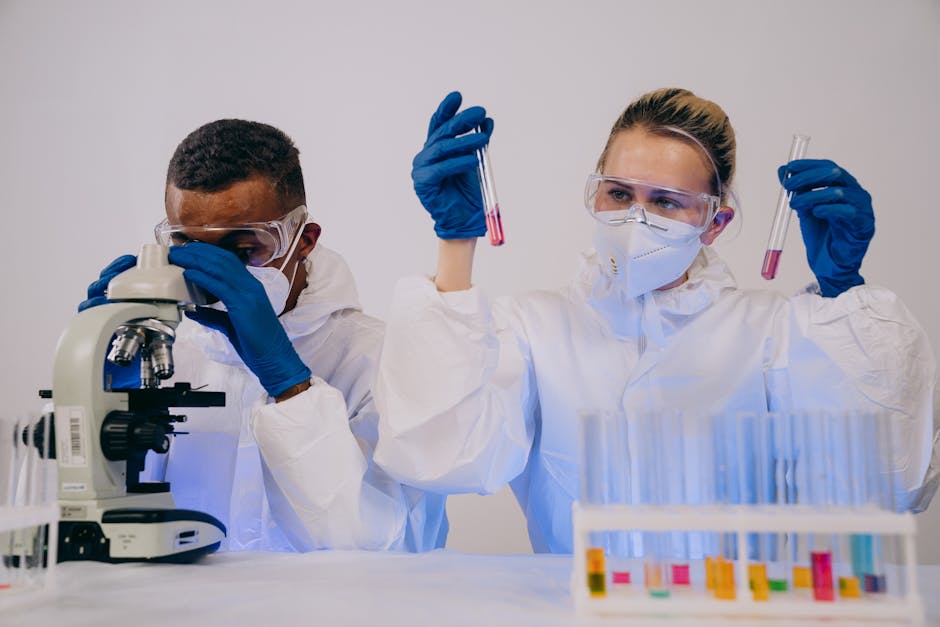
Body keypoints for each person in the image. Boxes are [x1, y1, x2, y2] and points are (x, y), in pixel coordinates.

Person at [373, 89, 938, 553]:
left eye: (667, 202)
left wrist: (844, 294)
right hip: (576, 610)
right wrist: (456, 244)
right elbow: (439, 455)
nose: (636, 218)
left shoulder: (771, 332)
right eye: (619, 193)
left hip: (733, 614)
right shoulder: (537, 325)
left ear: (715, 222)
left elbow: (887, 479)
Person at [79, 119, 446, 552]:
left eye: (243, 251)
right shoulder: (161, 348)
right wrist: (97, 393)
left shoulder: (379, 360)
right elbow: (101, 525)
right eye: (189, 247)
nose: (216, 275)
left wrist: (289, 383)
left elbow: (391, 549)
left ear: (303, 240)